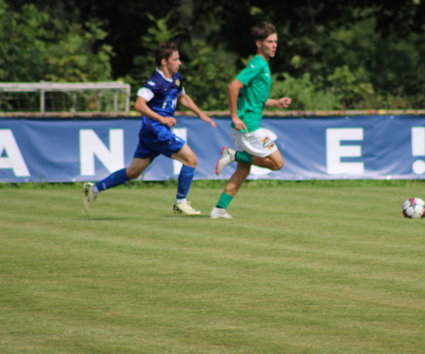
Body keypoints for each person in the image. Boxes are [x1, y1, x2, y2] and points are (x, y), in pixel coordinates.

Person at [83, 42, 216, 215]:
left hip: (151, 132)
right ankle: (180, 202)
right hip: (156, 130)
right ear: (164, 61)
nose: (179, 62)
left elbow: (183, 97)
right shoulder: (155, 82)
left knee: (133, 172)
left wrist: (200, 114)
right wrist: (161, 118)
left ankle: (93, 189)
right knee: (191, 160)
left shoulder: (176, 77)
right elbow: (139, 104)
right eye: (175, 59)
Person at [211, 22, 291, 219]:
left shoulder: (262, 65)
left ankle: (219, 209)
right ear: (259, 43)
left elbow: (255, 98)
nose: (274, 45)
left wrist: (276, 102)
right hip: (249, 126)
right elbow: (233, 86)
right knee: (277, 163)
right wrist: (235, 116)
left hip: (246, 125)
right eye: (270, 42)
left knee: (244, 170)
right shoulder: (258, 64)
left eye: (276, 42)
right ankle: (233, 155)